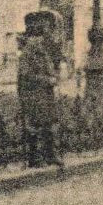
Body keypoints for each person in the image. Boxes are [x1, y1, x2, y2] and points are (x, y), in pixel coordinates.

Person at [17, 10, 63, 168]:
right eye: (38, 37)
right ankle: (34, 158)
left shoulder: (42, 53)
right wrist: (47, 80)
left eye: (42, 36)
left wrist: (55, 77)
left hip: (46, 95)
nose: (41, 39)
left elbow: (50, 70)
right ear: (31, 38)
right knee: (34, 125)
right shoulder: (26, 55)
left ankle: (51, 155)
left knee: (50, 124)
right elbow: (26, 76)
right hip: (32, 95)